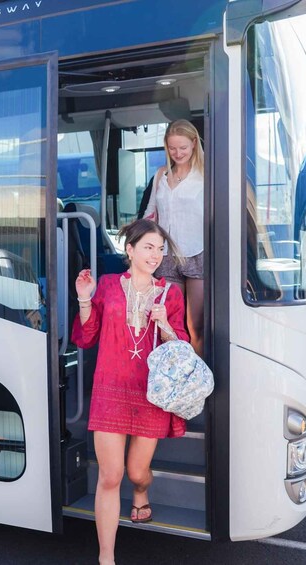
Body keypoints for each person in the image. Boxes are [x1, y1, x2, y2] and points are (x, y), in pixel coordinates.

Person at [72, 218, 189, 565]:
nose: (155, 255)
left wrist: (164, 324)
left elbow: (181, 347)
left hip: (150, 394)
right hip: (110, 389)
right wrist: (84, 299)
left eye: (160, 250)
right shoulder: (108, 285)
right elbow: (88, 336)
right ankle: (106, 558)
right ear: (130, 249)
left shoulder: (171, 294)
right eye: (148, 247)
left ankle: (141, 490)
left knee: (137, 472)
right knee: (111, 476)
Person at [143, 119, 205, 357]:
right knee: (168, 322)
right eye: (172, 148)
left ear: (194, 144)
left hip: (197, 252)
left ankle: (197, 374)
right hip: (166, 255)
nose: (178, 153)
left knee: (195, 325)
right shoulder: (161, 174)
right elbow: (150, 213)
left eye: (183, 147)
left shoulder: (205, 175)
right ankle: (173, 372)